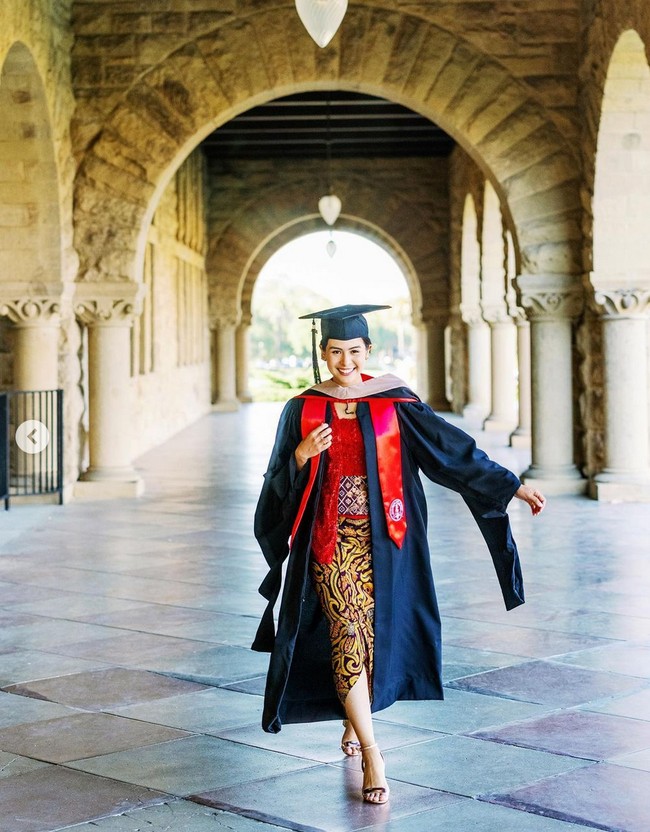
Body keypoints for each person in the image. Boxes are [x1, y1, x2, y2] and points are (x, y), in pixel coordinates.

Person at [252, 304, 545, 805]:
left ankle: (352, 717)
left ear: (368, 352)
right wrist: (301, 455)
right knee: (347, 629)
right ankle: (372, 750)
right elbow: (275, 479)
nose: (345, 361)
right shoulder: (302, 408)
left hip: (387, 541)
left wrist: (510, 485)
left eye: (354, 351)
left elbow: (451, 451)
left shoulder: (393, 401)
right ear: (323, 354)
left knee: (371, 634)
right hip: (328, 540)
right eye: (335, 351)